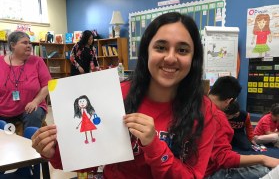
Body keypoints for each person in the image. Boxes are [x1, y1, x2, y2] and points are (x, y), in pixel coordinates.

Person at [31, 12, 219, 178]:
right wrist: (53, 152)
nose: (170, 57)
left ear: (194, 58)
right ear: (146, 51)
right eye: (160, 47)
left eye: (182, 50)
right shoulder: (117, 94)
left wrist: (154, 145)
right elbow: (89, 162)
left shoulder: (203, 109)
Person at [206, 76, 279, 179]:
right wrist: (262, 158)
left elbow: (248, 128)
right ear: (229, 101)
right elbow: (224, 159)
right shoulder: (219, 117)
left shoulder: (193, 105)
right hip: (208, 173)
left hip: (193, 166)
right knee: (266, 170)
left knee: (246, 150)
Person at [0, 31, 51, 130]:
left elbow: (47, 85)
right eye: (24, 43)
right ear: (13, 45)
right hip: (4, 110)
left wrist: (35, 102)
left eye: (29, 43)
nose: (29, 46)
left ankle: (30, 144)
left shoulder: (37, 61)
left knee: (34, 115)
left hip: (32, 107)